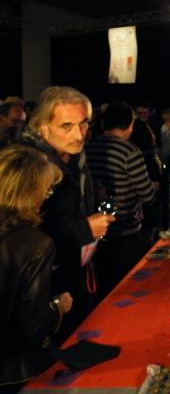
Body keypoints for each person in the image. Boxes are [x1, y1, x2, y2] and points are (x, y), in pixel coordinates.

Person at [20, 86, 114, 339]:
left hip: (75, 274)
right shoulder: (27, 166)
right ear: (42, 127)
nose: (79, 134)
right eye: (66, 126)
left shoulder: (75, 156)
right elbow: (20, 240)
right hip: (44, 293)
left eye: (83, 124)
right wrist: (84, 230)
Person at [0, 145, 72, 393]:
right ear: (30, 191)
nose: (45, 196)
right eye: (46, 189)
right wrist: (57, 307)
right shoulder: (34, 245)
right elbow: (33, 326)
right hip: (15, 371)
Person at [85, 102, 157, 296]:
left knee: (102, 292)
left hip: (95, 234)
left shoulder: (88, 149)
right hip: (125, 233)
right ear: (130, 124)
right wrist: (153, 186)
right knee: (126, 292)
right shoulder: (130, 152)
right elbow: (148, 196)